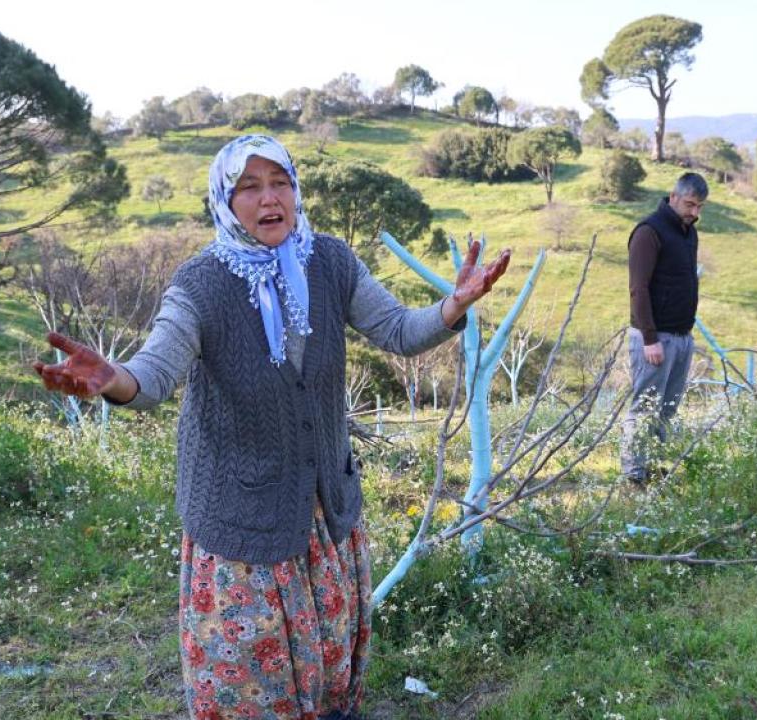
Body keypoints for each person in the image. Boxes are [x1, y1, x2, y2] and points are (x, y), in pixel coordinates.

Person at [33, 134, 510, 720]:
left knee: (331, 686)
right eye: (249, 187)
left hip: (321, 510)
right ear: (225, 202)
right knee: (251, 690)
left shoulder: (330, 261)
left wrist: (451, 308)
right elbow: (153, 373)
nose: (269, 199)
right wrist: (112, 379)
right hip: (242, 521)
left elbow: (396, 330)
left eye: (280, 181)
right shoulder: (201, 285)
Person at [620, 172, 707, 484]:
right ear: (673, 197)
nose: (694, 212)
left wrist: (687, 335)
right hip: (655, 339)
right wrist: (650, 338)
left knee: (667, 409)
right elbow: (638, 289)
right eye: (689, 204)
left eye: (699, 207)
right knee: (644, 408)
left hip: (682, 337)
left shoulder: (688, 233)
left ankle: (653, 468)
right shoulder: (648, 232)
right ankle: (633, 475)